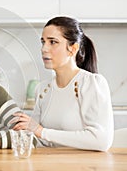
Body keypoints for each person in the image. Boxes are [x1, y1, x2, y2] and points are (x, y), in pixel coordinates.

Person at [13, 16, 114, 151]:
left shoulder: (91, 83)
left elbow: (101, 141)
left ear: (73, 49)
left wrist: (42, 131)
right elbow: (34, 135)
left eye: (53, 42)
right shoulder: (42, 89)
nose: (44, 49)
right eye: (43, 42)